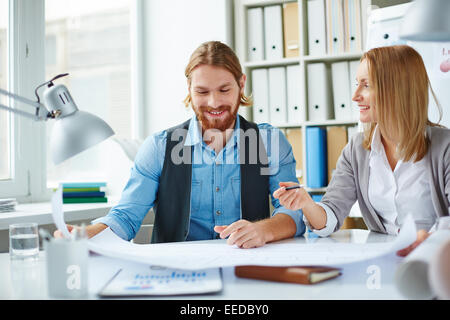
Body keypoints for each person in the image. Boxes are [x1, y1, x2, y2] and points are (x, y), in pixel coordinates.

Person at [56, 41, 305, 248]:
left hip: (248, 268)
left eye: (224, 89)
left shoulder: (269, 143)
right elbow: (126, 218)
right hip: (176, 274)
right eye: (202, 92)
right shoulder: (159, 148)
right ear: (189, 88)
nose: (214, 102)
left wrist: (262, 231)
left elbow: (294, 213)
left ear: (241, 84)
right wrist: (85, 234)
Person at [274, 45, 450, 256]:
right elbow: (331, 215)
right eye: (357, 84)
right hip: (385, 263)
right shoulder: (356, 149)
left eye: (366, 85)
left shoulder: (444, 147)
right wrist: (306, 203)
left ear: (397, 89)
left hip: (436, 261)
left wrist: (430, 241)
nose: (355, 96)